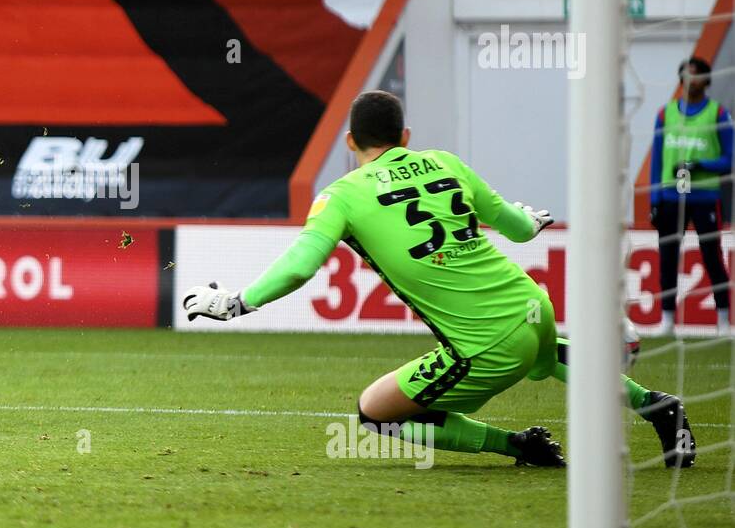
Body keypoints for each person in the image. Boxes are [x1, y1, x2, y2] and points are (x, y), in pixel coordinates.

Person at [183, 90, 696, 468]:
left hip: (485, 344)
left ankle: (517, 445)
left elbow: (300, 265)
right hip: (532, 305)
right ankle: (656, 405)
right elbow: (519, 229)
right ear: (405, 137)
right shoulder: (444, 162)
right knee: (550, 353)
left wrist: (237, 302)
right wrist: (530, 218)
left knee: (374, 412)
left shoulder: (340, 195)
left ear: (349, 143)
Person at [649, 56, 732, 336]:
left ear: (706, 80)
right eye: (684, 74)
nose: (689, 80)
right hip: (671, 197)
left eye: (695, 75)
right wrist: (654, 200)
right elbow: (657, 161)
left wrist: (701, 165)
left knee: (711, 256)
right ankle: (667, 320)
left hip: (705, 197)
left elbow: (728, 160)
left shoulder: (718, 114)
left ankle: (723, 321)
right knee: (668, 258)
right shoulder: (665, 114)